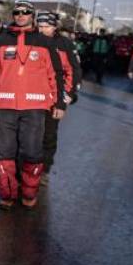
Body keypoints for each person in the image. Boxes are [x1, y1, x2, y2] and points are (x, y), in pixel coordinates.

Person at [0, 0, 67, 210]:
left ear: (32, 16)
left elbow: (56, 75)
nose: (21, 15)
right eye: (17, 12)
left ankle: (29, 192)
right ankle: (7, 194)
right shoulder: (1, 40)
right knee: (4, 153)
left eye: (26, 12)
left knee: (31, 152)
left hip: (35, 109)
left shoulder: (45, 42)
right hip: (5, 106)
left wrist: (59, 102)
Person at [37, 12, 81, 180]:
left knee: (49, 134)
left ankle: (45, 168)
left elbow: (74, 70)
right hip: (32, 95)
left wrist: (69, 94)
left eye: (46, 27)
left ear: (55, 27)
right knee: (29, 134)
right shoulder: (31, 40)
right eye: (40, 26)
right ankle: (28, 168)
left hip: (55, 97)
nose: (42, 30)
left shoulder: (65, 44)